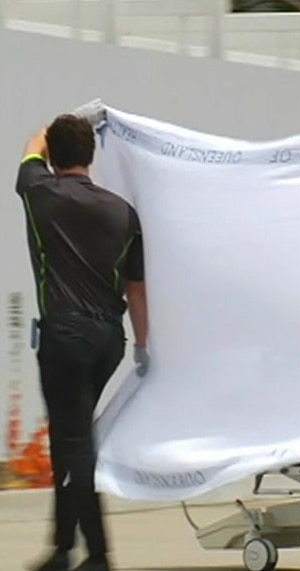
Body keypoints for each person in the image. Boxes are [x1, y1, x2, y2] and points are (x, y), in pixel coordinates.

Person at [16, 102, 150, 571]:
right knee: (75, 442)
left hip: (65, 335)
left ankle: (85, 553)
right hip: (108, 340)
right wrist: (143, 344)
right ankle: (73, 550)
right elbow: (136, 288)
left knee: (73, 445)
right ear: (91, 155)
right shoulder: (123, 212)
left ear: (53, 154)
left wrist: (64, 119)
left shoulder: (41, 193)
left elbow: (32, 145)